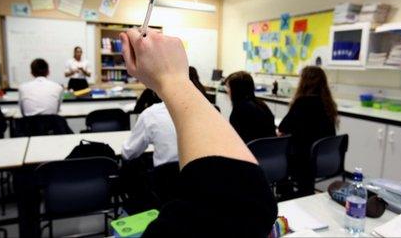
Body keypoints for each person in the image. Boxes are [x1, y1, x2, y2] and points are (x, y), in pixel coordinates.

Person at [120, 29, 277, 237]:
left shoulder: (150, 115)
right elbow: (249, 207)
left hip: (165, 184)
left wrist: (170, 80)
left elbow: (128, 153)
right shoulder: (223, 112)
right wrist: (175, 80)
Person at [278, 66, 338, 197]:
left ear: (304, 82)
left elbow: (282, 128)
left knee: (278, 153)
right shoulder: (328, 104)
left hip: (303, 159)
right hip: (324, 156)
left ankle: (284, 195)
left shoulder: (302, 102)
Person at [225, 71, 276, 143]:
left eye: (228, 87)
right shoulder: (262, 104)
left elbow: (236, 140)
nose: (227, 90)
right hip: (270, 150)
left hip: (251, 151)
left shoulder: (240, 110)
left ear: (236, 90)